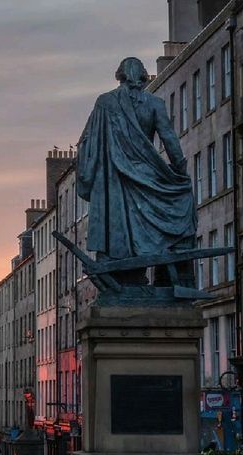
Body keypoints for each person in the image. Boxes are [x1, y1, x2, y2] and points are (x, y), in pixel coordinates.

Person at [77, 57, 196, 284]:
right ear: (143, 76)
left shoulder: (104, 102)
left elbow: (87, 142)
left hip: (114, 176)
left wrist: (89, 170)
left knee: (119, 222)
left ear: (119, 76)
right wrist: (181, 174)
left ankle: (132, 267)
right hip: (145, 175)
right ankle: (170, 262)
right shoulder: (155, 104)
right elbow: (170, 141)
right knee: (183, 198)